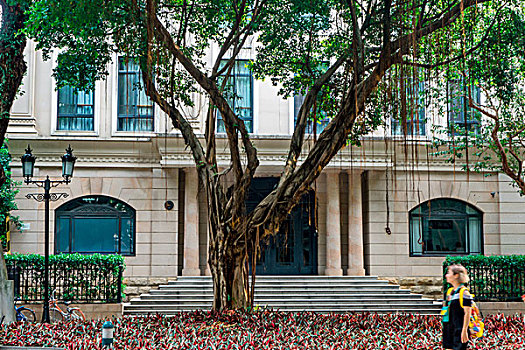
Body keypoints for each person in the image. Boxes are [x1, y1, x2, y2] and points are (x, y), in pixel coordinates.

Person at [442, 264, 473, 350]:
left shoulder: (464, 292)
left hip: (459, 329)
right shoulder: (450, 292)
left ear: (456, 275)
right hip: (449, 328)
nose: (446, 275)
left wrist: (464, 330)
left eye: (449, 273)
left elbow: (467, 313)